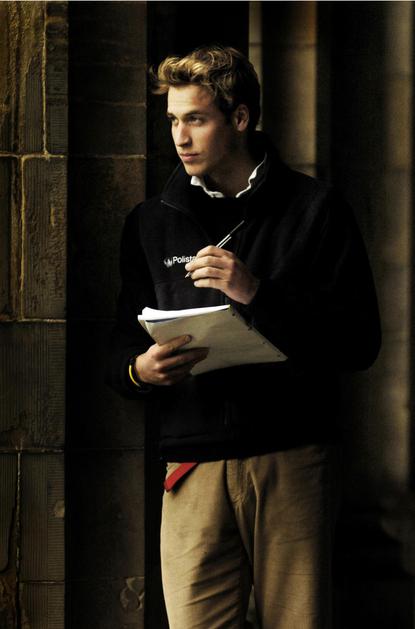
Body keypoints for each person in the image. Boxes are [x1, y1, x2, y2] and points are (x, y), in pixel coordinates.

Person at [107, 44, 381, 629]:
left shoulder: (316, 209)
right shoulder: (151, 221)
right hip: (192, 460)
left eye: (196, 119)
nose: (180, 137)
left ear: (239, 117)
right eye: (173, 120)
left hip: (291, 454)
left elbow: (359, 343)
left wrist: (257, 292)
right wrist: (140, 371)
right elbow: (117, 348)